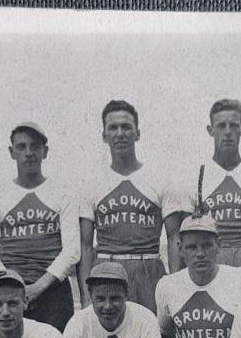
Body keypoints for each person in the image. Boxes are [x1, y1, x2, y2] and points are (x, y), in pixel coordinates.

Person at [78, 100, 185, 312]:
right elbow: (86, 245)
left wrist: (176, 285)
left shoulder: (160, 179)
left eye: (126, 127)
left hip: (148, 268)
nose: (120, 133)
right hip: (106, 269)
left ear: (137, 133)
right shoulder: (92, 184)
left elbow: (174, 236)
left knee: (154, 335)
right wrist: (84, 295)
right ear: (104, 135)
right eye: (113, 128)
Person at [0, 122, 80, 332]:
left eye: (35, 146)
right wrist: (9, 283)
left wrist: (40, 286)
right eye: (21, 147)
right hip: (11, 291)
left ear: (45, 151)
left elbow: (72, 249)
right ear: (11, 152)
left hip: (52, 291)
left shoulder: (62, 194)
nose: (28, 153)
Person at [185, 99, 241, 277]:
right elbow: (185, 238)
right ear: (210, 130)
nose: (227, 132)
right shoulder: (197, 177)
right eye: (220, 126)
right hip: (212, 260)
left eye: (233, 125)